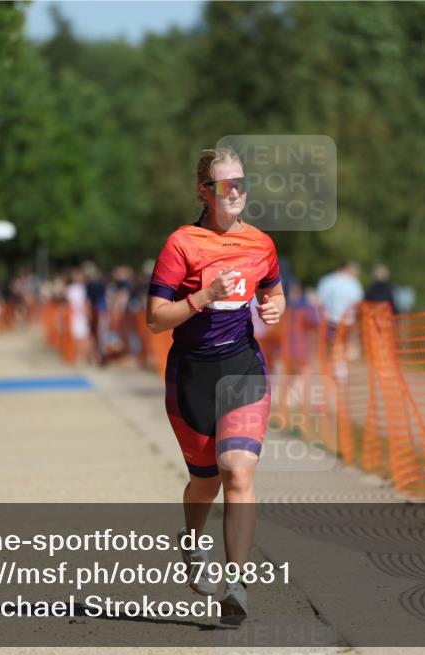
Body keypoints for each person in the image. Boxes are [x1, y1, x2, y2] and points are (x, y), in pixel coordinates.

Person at [147, 147, 285, 625]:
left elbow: (273, 289)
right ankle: (191, 546)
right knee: (204, 482)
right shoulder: (181, 243)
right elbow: (153, 318)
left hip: (242, 367)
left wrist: (275, 308)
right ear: (205, 191)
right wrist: (204, 296)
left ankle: (238, 584)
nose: (237, 192)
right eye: (227, 185)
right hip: (191, 374)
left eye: (242, 183)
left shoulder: (262, 244)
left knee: (238, 471)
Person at [316, 261, 364, 343]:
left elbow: (319, 299)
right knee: (344, 344)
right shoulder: (353, 283)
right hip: (347, 320)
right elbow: (358, 301)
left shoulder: (327, 280)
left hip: (329, 319)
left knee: (329, 344)